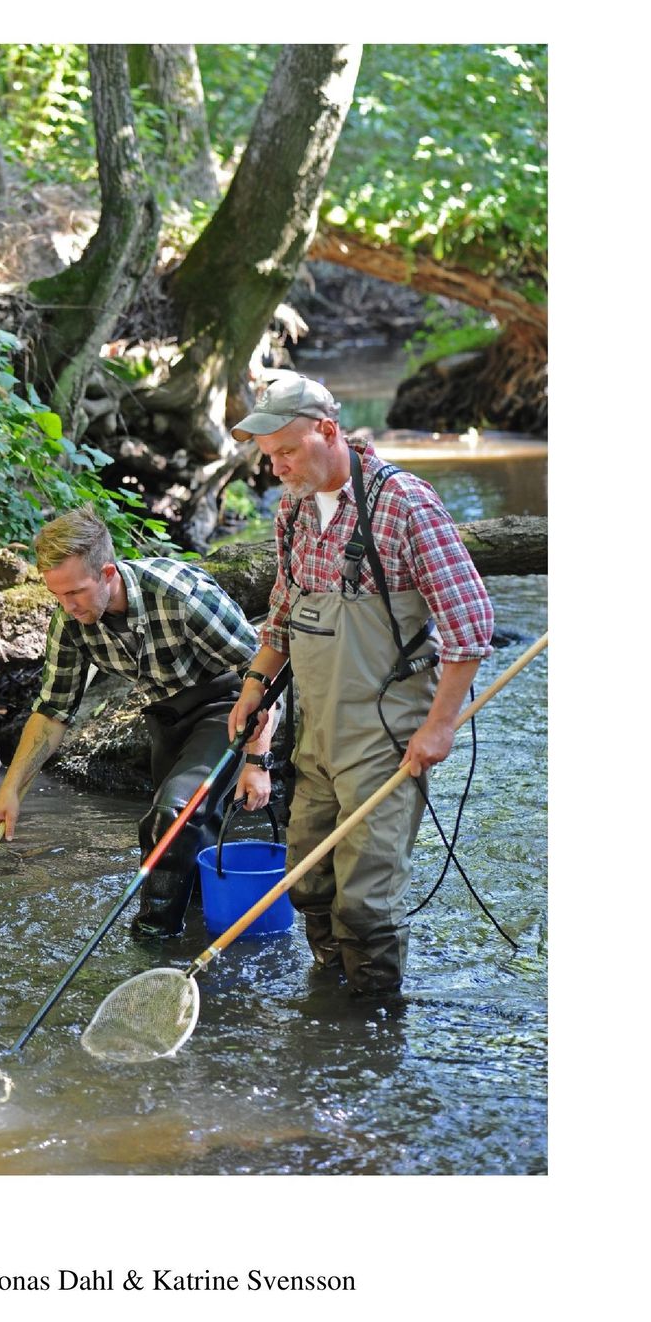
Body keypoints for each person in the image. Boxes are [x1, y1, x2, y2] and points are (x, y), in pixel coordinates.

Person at [227, 372, 494, 996]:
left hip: (387, 741)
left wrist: (440, 726)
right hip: (315, 735)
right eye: (269, 458)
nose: (277, 469)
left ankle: (372, 1031)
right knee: (309, 882)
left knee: (366, 907)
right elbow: (284, 614)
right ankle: (331, 1005)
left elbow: (471, 624)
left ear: (328, 430)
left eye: (286, 452)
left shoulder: (404, 504)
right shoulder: (292, 509)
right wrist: (253, 685)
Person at [0, 505, 276, 937]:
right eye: (57, 596)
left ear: (107, 573)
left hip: (228, 706)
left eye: (76, 593)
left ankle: (151, 942)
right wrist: (11, 790)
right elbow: (51, 713)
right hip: (165, 718)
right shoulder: (69, 621)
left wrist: (258, 761)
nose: (67, 607)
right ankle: (203, 939)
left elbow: (264, 674)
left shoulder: (180, 595)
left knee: (172, 815)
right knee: (186, 845)